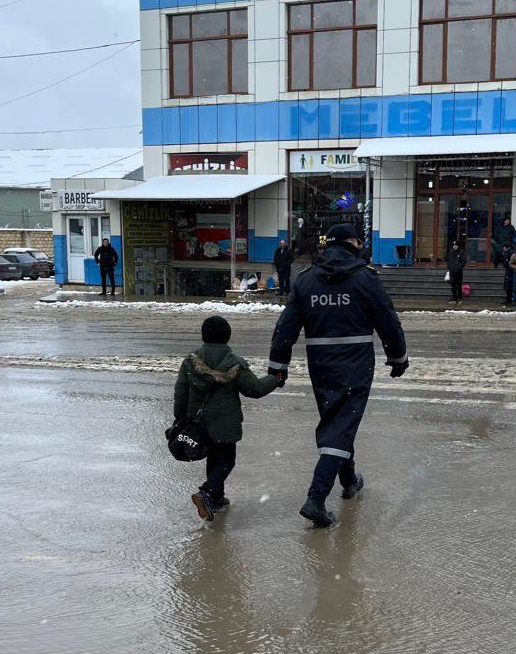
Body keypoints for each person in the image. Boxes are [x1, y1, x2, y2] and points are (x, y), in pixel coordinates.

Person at [268, 223, 407, 528]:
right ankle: (316, 499)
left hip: (321, 365)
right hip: (356, 363)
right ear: (353, 243)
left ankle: (349, 480)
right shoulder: (365, 278)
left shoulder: (306, 281)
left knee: (339, 421)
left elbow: (286, 327)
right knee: (342, 423)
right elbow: (387, 319)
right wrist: (398, 356)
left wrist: (278, 364)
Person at [174, 316, 282, 522]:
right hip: (224, 423)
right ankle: (206, 492)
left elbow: (180, 392)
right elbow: (255, 389)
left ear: (203, 335)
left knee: (213, 458)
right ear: (228, 336)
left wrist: (180, 418)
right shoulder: (235, 364)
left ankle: (216, 498)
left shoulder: (189, 362)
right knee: (226, 459)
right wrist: (274, 380)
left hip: (199, 422)